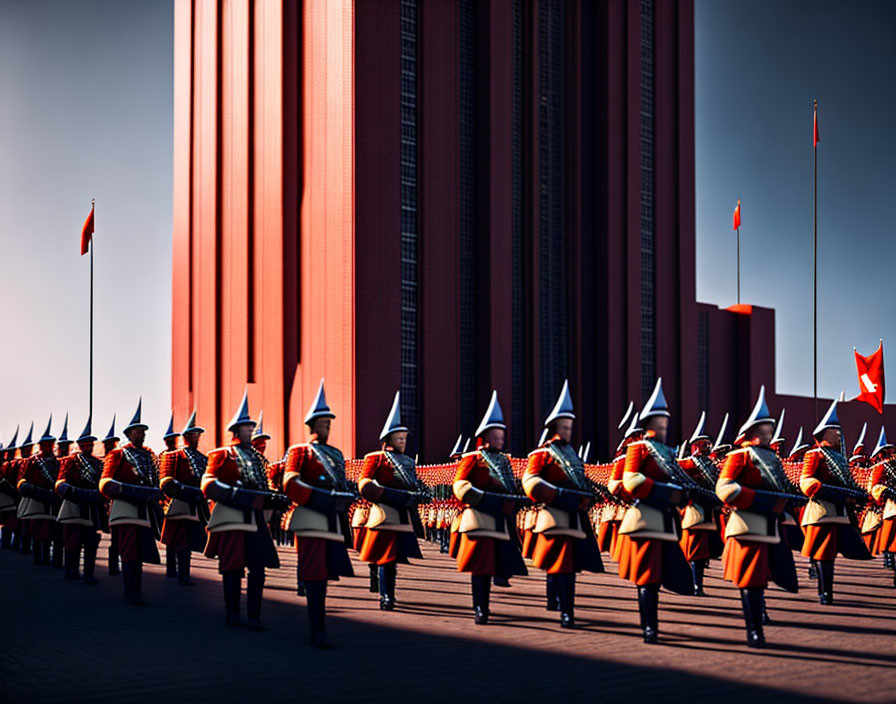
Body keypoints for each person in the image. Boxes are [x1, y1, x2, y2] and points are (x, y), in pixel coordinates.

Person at [716, 386, 800, 648]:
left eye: (769, 430)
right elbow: (725, 488)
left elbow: (782, 486)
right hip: (748, 524)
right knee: (751, 576)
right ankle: (754, 629)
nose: (768, 434)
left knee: (763, 574)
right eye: (763, 430)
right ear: (752, 433)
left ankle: (760, 614)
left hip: (772, 524)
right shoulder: (739, 456)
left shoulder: (773, 459)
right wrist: (757, 499)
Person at [201, 390, 289, 630]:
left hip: (255, 517)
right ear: (236, 430)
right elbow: (208, 483)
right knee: (232, 567)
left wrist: (275, 499)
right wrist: (238, 495)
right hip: (232, 517)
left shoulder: (258, 459)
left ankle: (254, 616)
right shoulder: (221, 454)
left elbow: (263, 488)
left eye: (251, 428)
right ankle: (233, 613)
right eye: (247, 428)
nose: (251, 431)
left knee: (258, 568)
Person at [523, 380, 604, 629]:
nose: (568, 431)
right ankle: (562, 608)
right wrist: (556, 493)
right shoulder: (543, 454)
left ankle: (563, 607)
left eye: (570, 427)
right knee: (557, 563)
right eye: (564, 427)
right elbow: (531, 481)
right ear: (555, 428)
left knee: (568, 565)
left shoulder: (573, 455)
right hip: (555, 515)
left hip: (575, 516)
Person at [619, 378, 695, 643]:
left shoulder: (670, 452)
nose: (664, 425)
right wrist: (666, 492)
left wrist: (684, 495)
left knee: (664, 574)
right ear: (649, 424)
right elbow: (631, 481)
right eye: (659, 421)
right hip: (647, 518)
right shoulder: (638, 448)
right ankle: (649, 627)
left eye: (666, 421)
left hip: (667, 520)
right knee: (648, 577)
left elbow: (678, 482)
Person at [283, 379, 356, 648]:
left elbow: (341, 482)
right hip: (312, 517)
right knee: (314, 573)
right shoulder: (301, 451)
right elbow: (290, 482)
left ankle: (320, 625)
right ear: (313, 425)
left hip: (332, 520)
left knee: (324, 574)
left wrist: (345, 496)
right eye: (324, 422)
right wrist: (320, 497)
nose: (327, 426)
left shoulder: (336, 454)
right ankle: (317, 628)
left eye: (329, 422)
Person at [453, 391, 528, 624]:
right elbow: (460, 486)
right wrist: (484, 498)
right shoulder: (473, 459)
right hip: (481, 518)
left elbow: (509, 486)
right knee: (481, 567)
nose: (501, 439)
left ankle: (489, 601)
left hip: (501, 520)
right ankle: (480, 608)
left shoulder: (504, 461)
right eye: (498, 434)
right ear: (486, 436)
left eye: (502, 434)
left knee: (501, 562)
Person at [800, 400, 873, 604]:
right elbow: (806, 480)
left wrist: (860, 495)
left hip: (841, 512)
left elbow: (849, 482)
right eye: (835, 431)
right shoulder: (814, 454)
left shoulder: (840, 458)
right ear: (824, 433)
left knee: (832, 554)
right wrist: (820, 488)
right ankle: (825, 592)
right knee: (823, 553)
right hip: (822, 510)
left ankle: (827, 590)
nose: (839, 435)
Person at [358, 391, 425, 611]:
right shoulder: (376, 458)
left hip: (403, 513)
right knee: (385, 556)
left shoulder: (407, 461)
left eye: (405, 438)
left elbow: (413, 485)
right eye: (399, 438)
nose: (403, 442)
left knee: (394, 558)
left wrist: (420, 494)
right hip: (385, 512)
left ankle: (387, 591)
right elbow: (365, 482)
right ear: (389, 440)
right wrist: (383, 493)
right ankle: (386, 596)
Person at [100, 399, 163, 605]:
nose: (141, 434)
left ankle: (137, 589)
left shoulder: (149, 455)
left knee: (140, 552)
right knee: (128, 552)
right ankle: (131, 591)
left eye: (143, 431)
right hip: (125, 508)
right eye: (137, 431)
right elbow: (106, 482)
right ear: (129, 434)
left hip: (143, 510)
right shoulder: (118, 454)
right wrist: (127, 490)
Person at [159, 411, 209, 587]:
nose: (198, 439)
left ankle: (182, 573)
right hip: (179, 503)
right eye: (195, 435)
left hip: (197, 504)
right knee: (177, 541)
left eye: (199, 435)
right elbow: (166, 482)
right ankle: (177, 573)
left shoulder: (203, 458)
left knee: (187, 541)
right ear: (187, 436)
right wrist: (185, 492)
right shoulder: (173, 456)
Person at [677, 411, 723, 596]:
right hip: (695, 509)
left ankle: (698, 584)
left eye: (708, 443)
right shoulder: (688, 464)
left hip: (710, 509)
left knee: (704, 551)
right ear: (695, 445)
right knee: (695, 549)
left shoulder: (711, 465)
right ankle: (695, 585)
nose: (706, 447)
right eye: (703, 443)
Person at [56, 415, 105, 584]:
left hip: (91, 509)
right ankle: (71, 570)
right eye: (86, 444)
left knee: (91, 543)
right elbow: (61, 482)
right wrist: (74, 491)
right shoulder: (71, 461)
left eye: (91, 444)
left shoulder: (98, 464)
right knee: (72, 542)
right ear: (80, 445)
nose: (89, 447)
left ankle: (89, 574)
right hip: (74, 506)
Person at [18, 416, 62, 567]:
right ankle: (39, 557)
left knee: (53, 531)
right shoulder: (32, 461)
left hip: (53, 499)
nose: (49, 447)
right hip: (37, 498)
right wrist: (34, 491)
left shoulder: (58, 462)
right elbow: (22, 480)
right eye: (46, 444)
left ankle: (51, 558)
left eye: (51, 444)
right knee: (38, 530)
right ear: (41, 446)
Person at [160, 413, 181, 579]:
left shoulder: (181, 456)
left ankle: (180, 570)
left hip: (179, 500)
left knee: (181, 538)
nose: (172, 441)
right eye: (170, 439)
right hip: (166, 502)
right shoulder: (163, 456)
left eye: (174, 439)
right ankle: (171, 569)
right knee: (169, 538)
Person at [101, 415, 122, 576]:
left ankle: (115, 565)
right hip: (101, 501)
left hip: (115, 501)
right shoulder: (101, 462)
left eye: (112, 443)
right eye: (108, 444)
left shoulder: (119, 459)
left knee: (118, 536)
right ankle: (113, 565)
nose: (110, 446)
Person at [0, 427, 20, 551]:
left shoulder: (9, 464)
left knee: (10, 523)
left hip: (9, 500)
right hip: (6, 498)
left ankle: (8, 543)